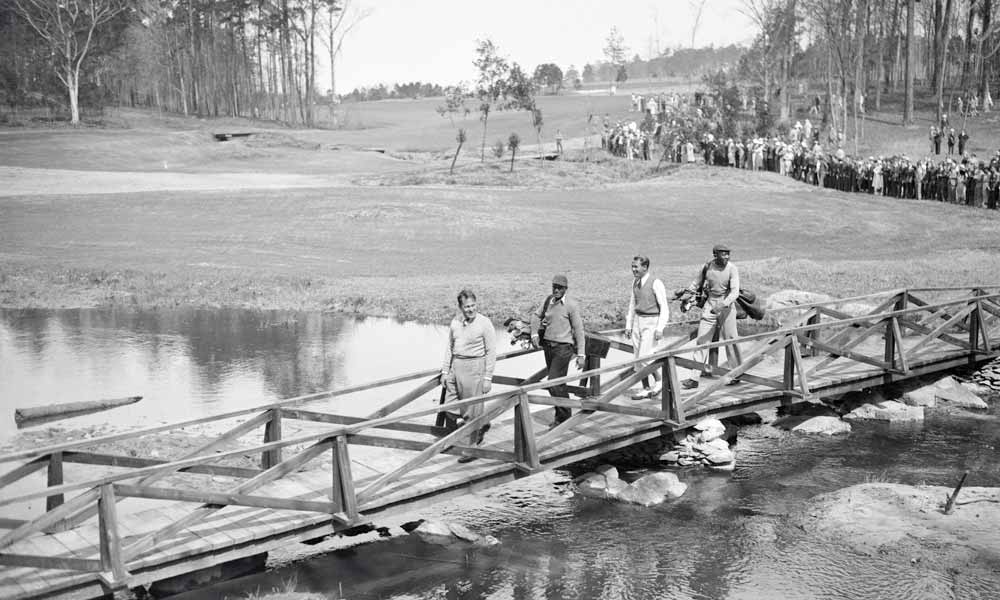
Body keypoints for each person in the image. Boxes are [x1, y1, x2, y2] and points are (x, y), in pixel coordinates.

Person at [441, 289, 497, 463]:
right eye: (467, 307)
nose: (471, 309)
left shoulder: (484, 323)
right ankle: (464, 435)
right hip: (456, 367)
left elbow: (491, 352)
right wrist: (445, 371)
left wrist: (487, 378)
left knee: (472, 411)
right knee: (449, 408)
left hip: (475, 368)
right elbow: (450, 347)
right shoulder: (455, 322)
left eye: (473, 305)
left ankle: (472, 449)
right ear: (460, 307)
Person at [680, 244, 743, 389]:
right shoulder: (708, 266)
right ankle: (694, 378)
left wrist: (723, 304)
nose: (726, 256)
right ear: (715, 254)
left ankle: (736, 374)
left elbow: (735, 292)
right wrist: (687, 294)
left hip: (726, 306)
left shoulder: (732, 269)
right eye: (723, 254)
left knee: (731, 339)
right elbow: (696, 283)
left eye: (728, 254)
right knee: (702, 340)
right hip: (710, 304)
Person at [530, 274, 586, 427]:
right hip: (548, 347)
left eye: (560, 287)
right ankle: (562, 416)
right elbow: (536, 316)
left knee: (553, 383)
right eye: (554, 286)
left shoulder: (571, 305)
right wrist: (534, 332)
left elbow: (579, 329)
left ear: (565, 289)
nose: (556, 290)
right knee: (557, 385)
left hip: (563, 348)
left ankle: (564, 416)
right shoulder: (548, 301)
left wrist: (581, 354)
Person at [624, 256, 669, 399]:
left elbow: (664, 308)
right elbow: (632, 305)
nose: (633, 270)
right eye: (632, 266)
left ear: (645, 267)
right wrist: (628, 326)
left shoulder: (656, 283)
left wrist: (660, 328)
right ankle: (645, 388)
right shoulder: (635, 282)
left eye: (636, 267)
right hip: (638, 320)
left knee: (646, 356)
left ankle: (660, 381)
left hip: (651, 321)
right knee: (637, 358)